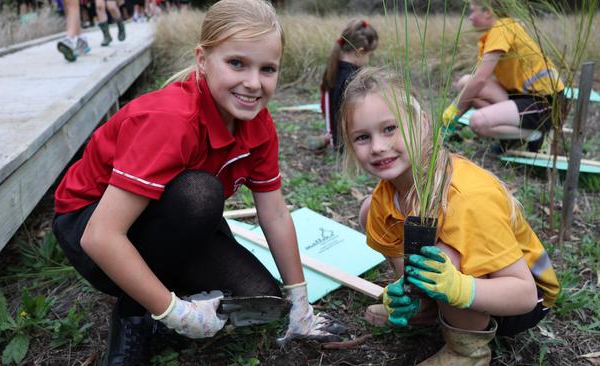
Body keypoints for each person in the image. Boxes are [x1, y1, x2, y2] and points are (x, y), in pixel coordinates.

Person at [52, 0, 343, 364]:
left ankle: (159, 288)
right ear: (203, 60)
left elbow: (275, 214)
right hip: (89, 225)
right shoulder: (170, 121)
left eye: (267, 69)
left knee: (259, 294)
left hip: (170, 217)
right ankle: (133, 314)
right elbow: (100, 236)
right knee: (200, 194)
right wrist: (174, 311)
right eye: (236, 63)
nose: (253, 83)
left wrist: (300, 300)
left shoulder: (259, 123)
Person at [341, 67, 560, 365]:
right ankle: (427, 309)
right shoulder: (384, 197)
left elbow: (524, 293)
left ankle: (466, 351)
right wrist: (407, 293)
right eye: (362, 137)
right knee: (371, 211)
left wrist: (458, 288)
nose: (378, 147)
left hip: (521, 301)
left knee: (441, 255)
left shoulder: (468, 198)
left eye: (390, 128)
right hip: (473, 285)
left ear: (424, 124)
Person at [443, 0, 565, 153]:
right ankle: (511, 137)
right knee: (466, 83)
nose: (470, 17)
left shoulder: (502, 29)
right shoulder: (500, 29)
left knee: (478, 122)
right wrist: (448, 124)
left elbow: (481, 78)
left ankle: (535, 135)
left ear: (488, 12)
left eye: (472, 11)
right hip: (521, 96)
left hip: (545, 104)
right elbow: (476, 82)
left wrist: (453, 110)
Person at [320, 19, 378, 152]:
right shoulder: (352, 78)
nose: (369, 59)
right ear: (360, 51)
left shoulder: (335, 68)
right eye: (370, 54)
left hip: (338, 139)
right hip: (347, 146)